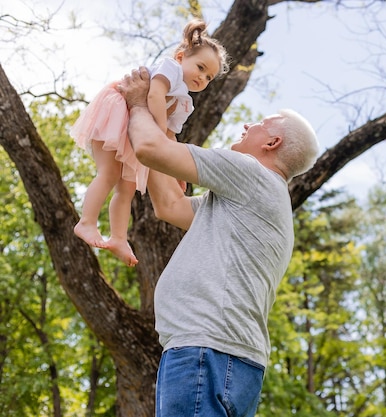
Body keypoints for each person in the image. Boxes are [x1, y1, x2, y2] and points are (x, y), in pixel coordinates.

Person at [117, 66, 319, 416]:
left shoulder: (252, 174)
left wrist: (137, 105)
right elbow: (169, 205)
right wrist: (161, 119)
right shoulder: (247, 202)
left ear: (273, 143)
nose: (247, 126)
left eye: (258, 124)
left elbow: (150, 148)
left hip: (206, 351)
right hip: (227, 359)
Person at [70, 19, 229, 266]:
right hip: (118, 112)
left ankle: (119, 238)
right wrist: (158, 129)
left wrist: (176, 167)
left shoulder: (185, 103)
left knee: (128, 186)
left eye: (209, 76)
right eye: (199, 67)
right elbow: (154, 95)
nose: (202, 77)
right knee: (110, 172)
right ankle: (87, 222)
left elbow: (169, 136)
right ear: (180, 57)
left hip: (138, 129)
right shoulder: (170, 69)